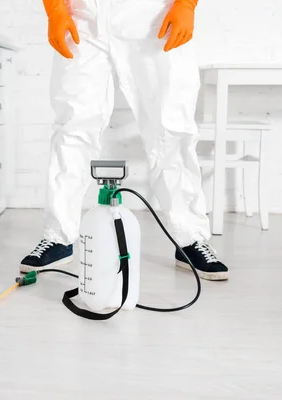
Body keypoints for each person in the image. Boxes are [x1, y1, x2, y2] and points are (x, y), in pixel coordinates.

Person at [20, 0, 229, 281]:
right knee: (72, 128)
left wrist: (186, 5)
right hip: (83, 16)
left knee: (171, 128)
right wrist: (55, 9)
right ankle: (58, 237)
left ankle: (190, 238)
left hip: (154, 15)